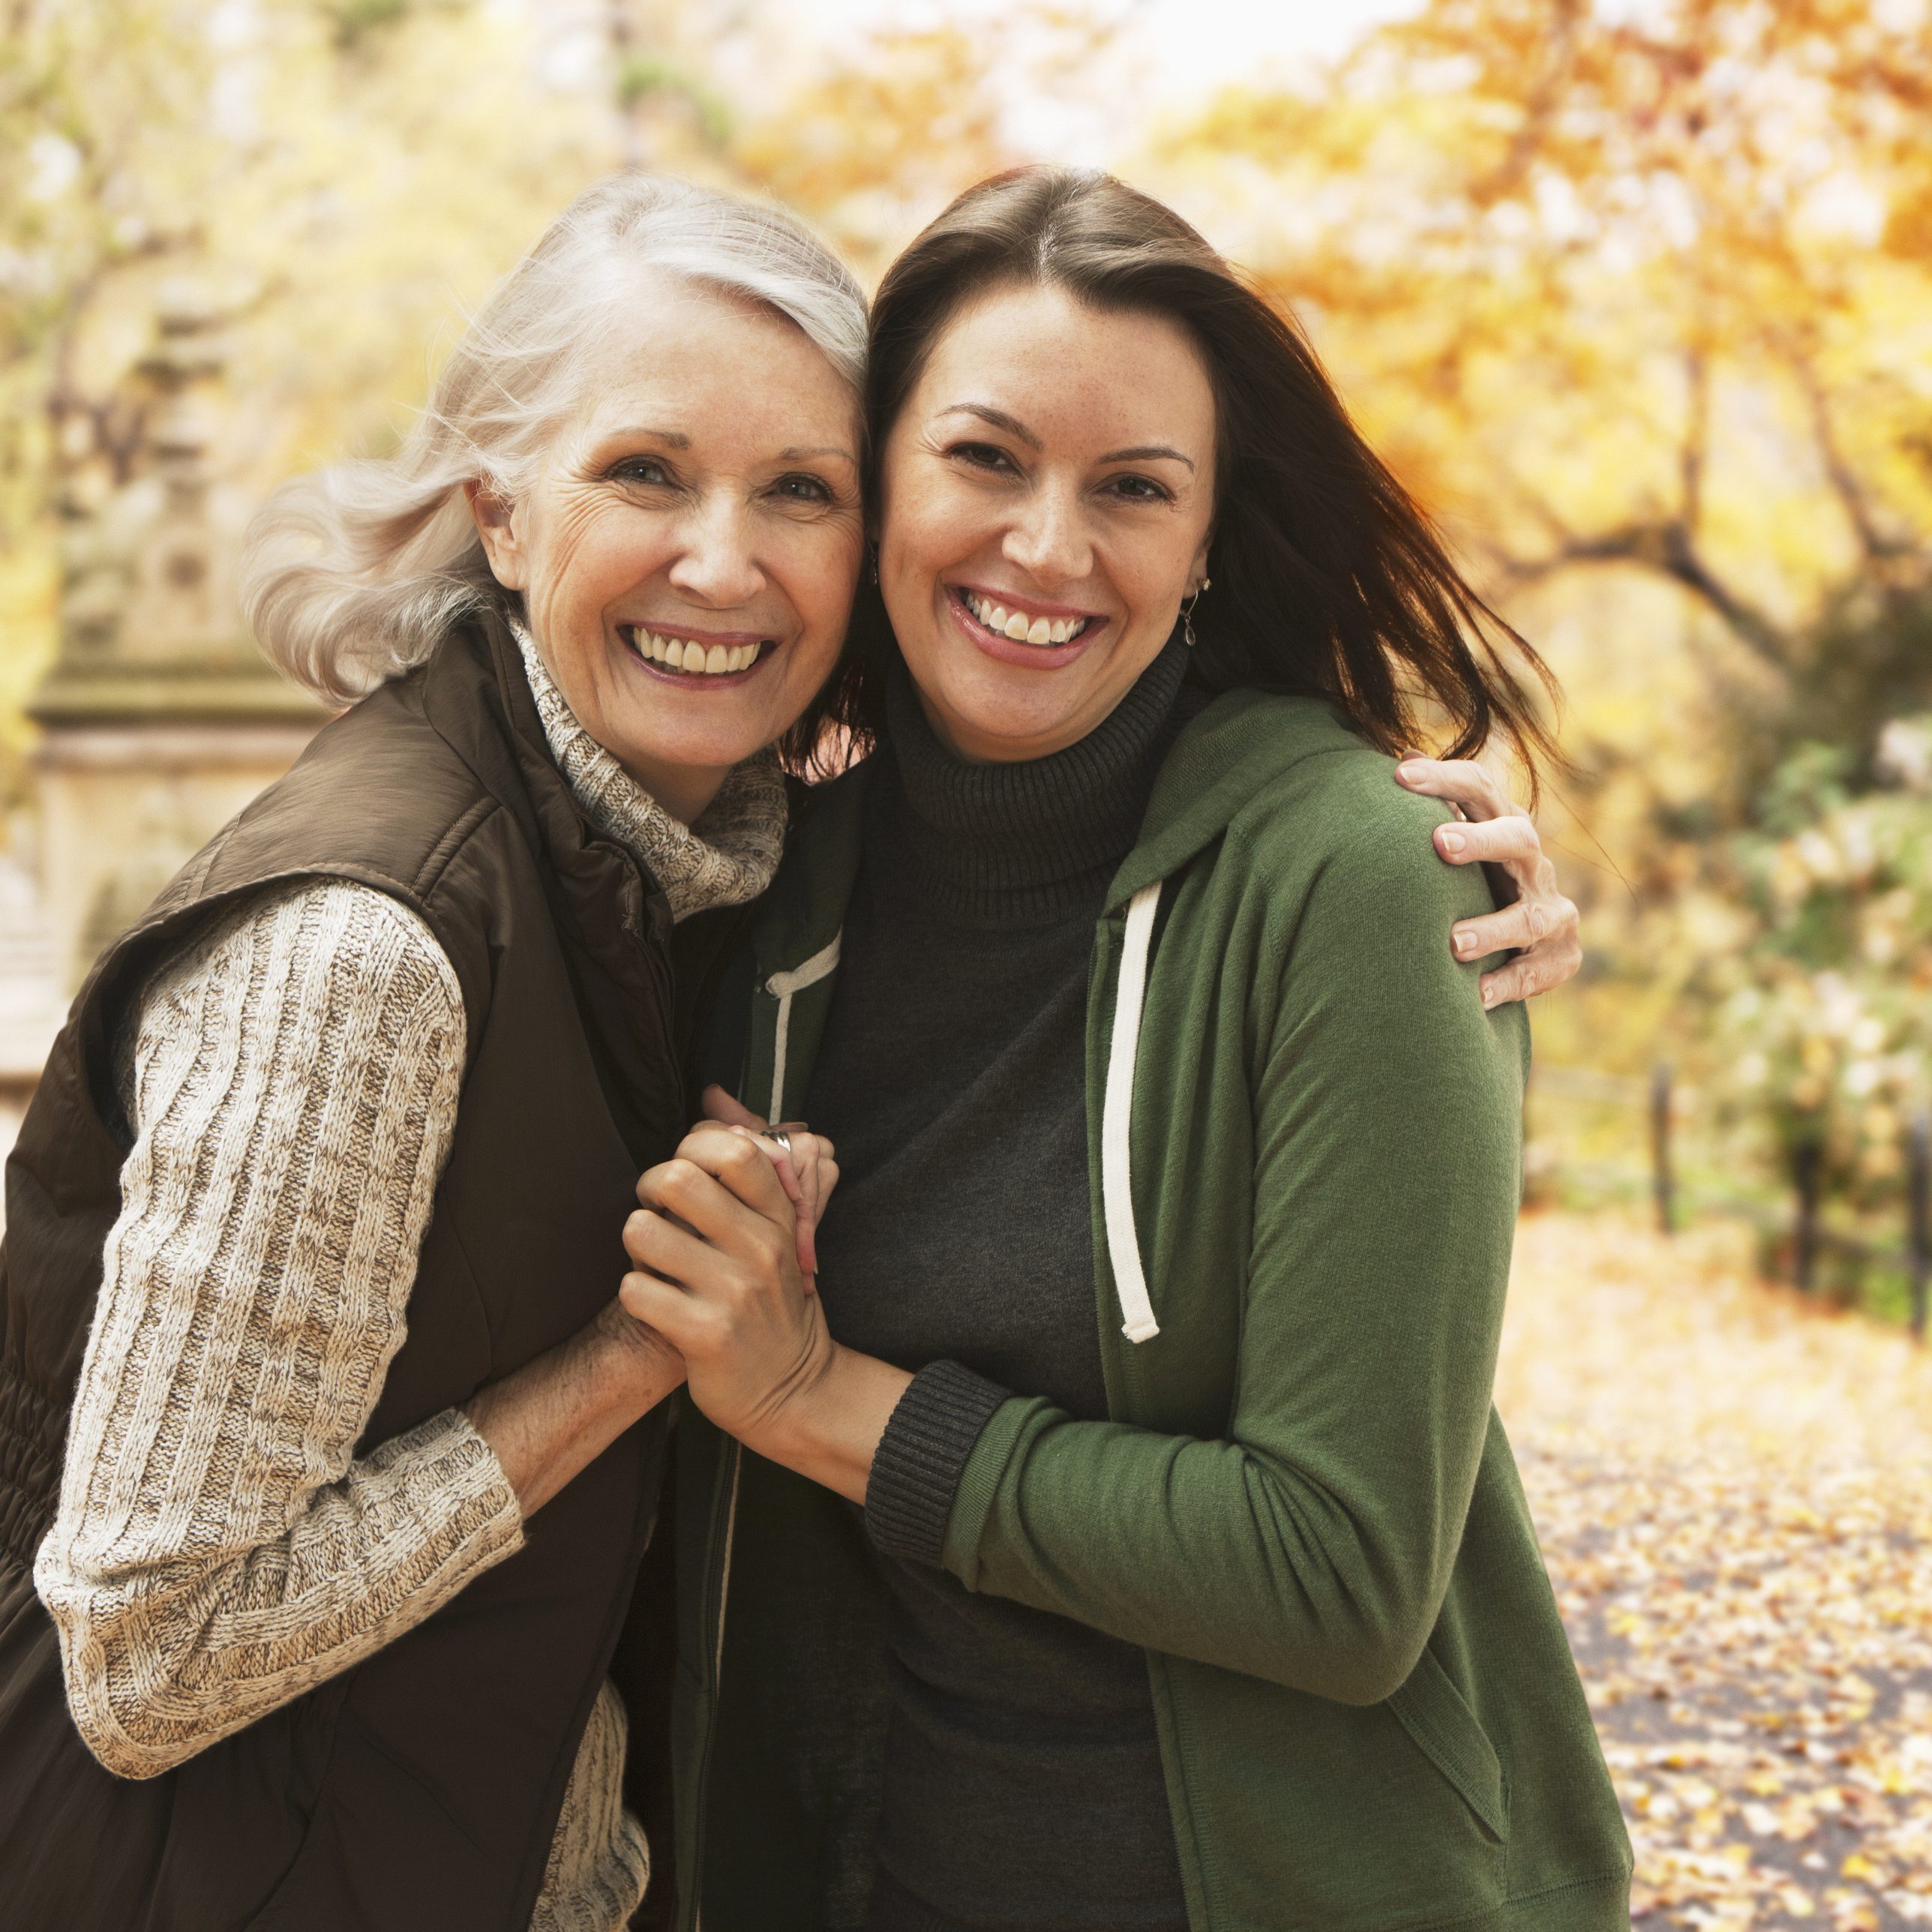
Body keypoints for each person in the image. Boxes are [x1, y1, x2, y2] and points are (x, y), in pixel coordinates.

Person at [621, 168, 1628, 1932]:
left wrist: (822, 1403)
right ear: (878, 487)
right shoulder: (771, 883)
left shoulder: (1357, 880)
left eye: (1133, 489)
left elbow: (1338, 1569)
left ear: (1208, 538)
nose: (1046, 547)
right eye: (985, 458)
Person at [0, 174, 865, 1932]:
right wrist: (633, 1356)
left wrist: (1397, 873)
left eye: (802, 489)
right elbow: (151, 1653)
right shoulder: (368, 950)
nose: (726, 558)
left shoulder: (681, 857)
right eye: (646, 470)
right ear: (502, 514)